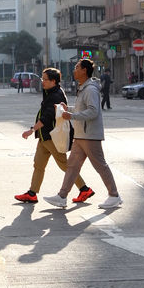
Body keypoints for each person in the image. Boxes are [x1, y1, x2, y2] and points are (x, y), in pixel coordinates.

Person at [43, 58, 123, 210]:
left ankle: (114, 195)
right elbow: (82, 109)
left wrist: (71, 116)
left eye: (77, 67)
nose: (74, 70)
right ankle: (61, 196)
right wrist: (69, 109)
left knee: (100, 165)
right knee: (72, 166)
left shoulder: (91, 89)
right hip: (81, 135)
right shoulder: (83, 88)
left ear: (84, 70)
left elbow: (93, 111)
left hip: (90, 135)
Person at [15, 67, 92, 204]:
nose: (42, 82)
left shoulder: (56, 95)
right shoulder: (49, 92)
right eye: (42, 79)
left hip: (52, 137)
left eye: (45, 79)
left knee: (65, 166)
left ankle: (84, 189)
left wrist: (31, 130)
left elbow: (46, 118)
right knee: (38, 165)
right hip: (44, 138)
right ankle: (32, 193)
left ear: (54, 81)